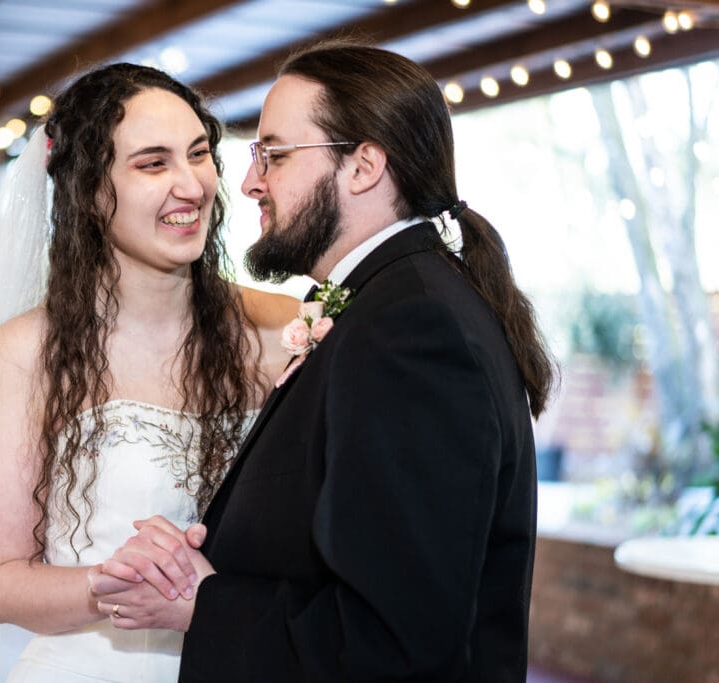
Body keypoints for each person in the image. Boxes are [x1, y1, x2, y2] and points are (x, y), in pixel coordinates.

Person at [89, 42, 556, 682]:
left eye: (275, 155)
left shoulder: (411, 332)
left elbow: (395, 642)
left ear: (363, 166)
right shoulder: (384, 304)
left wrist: (203, 601)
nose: (249, 182)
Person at [0, 63, 297, 682]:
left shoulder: (282, 332)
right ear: (91, 193)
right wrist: (109, 583)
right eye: (153, 164)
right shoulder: (29, 352)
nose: (191, 185)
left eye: (198, 154)